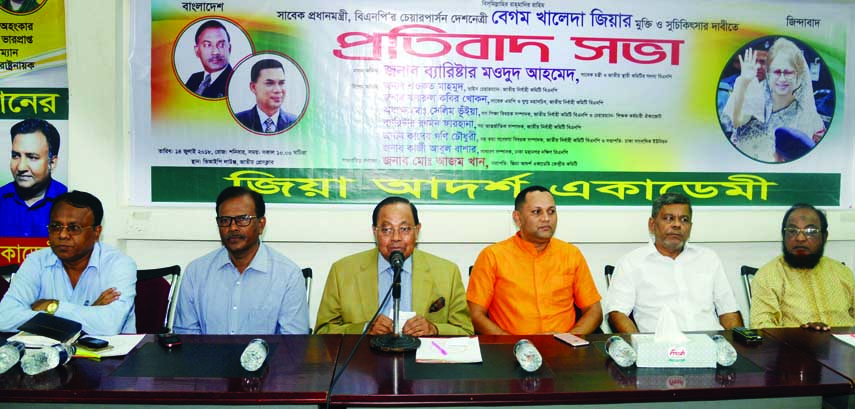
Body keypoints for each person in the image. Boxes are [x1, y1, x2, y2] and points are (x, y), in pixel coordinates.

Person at [315, 196, 473, 336]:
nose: (396, 238)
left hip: (421, 363)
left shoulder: (447, 272)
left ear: (417, 231)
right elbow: (323, 332)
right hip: (366, 362)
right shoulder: (342, 271)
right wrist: (363, 329)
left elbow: (465, 330)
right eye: (387, 230)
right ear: (375, 232)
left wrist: (434, 329)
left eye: (404, 229)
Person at [467, 185, 602, 335]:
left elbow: (594, 311)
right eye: (536, 212)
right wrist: (514, 344)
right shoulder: (492, 256)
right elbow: (475, 315)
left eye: (551, 211)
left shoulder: (571, 254)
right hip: (511, 350)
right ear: (517, 218)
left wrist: (570, 338)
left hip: (564, 349)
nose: (546, 218)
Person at [174, 186, 309, 334]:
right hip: (208, 357)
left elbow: (293, 341)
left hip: (269, 358)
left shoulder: (288, 275)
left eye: (242, 219)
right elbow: (186, 335)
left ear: (261, 224)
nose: (232, 228)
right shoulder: (196, 272)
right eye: (225, 220)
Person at [0, 191, 137, 335]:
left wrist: (53, 307)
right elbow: (5, 318)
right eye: (55, 226)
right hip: (48, 354)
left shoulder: (119, 264)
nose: (63, 235)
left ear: (97, 232)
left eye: (74, 228)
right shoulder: (36, 261)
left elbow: (109, 326)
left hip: (110, 355)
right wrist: (91, 311)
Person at [605, 192, 743, 333]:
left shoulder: (708, 258)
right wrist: (640, 346)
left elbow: (729, 310)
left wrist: (738, 346)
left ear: (690, 226)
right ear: (652, 224)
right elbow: (617, 313)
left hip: (711, 345)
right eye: (669, 218)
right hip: (659, 347)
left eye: (684, 219)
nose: (677, 225)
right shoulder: (632, 262)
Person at [750, 204, 855, 330]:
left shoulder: (842, 272)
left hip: (846, 347)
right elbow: (761, 328)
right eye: (792, 231)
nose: (800, 238)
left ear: (824, 237)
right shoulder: (768, 275)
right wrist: (801, 335)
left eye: (810, 231)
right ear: (783, 236)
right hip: (794, 347)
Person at [723, 38, 825, 162]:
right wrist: (744, 83)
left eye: (788, 73)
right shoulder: (756, 98)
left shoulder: (811, 119)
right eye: (777, 72)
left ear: (798, 76)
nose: (782, 79)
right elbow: (737, 122)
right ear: (769, 73)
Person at [0, 118, 68, 237]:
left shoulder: (69, 203)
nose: (21, 167)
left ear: (52, 163)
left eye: (32, 157)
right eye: (15, 156)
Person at [235, 58, 298, 133]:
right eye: (269, 83)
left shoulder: (295, 122)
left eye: (281, 83)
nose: (277, 90)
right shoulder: (238, 121)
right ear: (253, 87)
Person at [184, 20, 233, 99]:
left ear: (229, 49)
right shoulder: (194, 78)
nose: (215, 52)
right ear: (197, 51)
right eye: (207, 45)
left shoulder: (235, 82)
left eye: (221, 45)